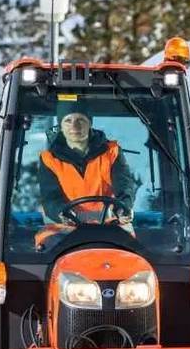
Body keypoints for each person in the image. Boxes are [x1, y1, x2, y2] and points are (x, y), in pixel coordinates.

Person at [35, 100, 136, 247]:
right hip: (66, 228)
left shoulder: (111, 152)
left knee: (131, 251)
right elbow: (50, 197)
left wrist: (123, 207)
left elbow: (124, 185)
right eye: (68, 120)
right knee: (48, 248)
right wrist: (61, 213)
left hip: (110, 225)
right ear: (61, 126)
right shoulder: (49, 159)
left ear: (89, 123)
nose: (74, 126)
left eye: (80, 120)